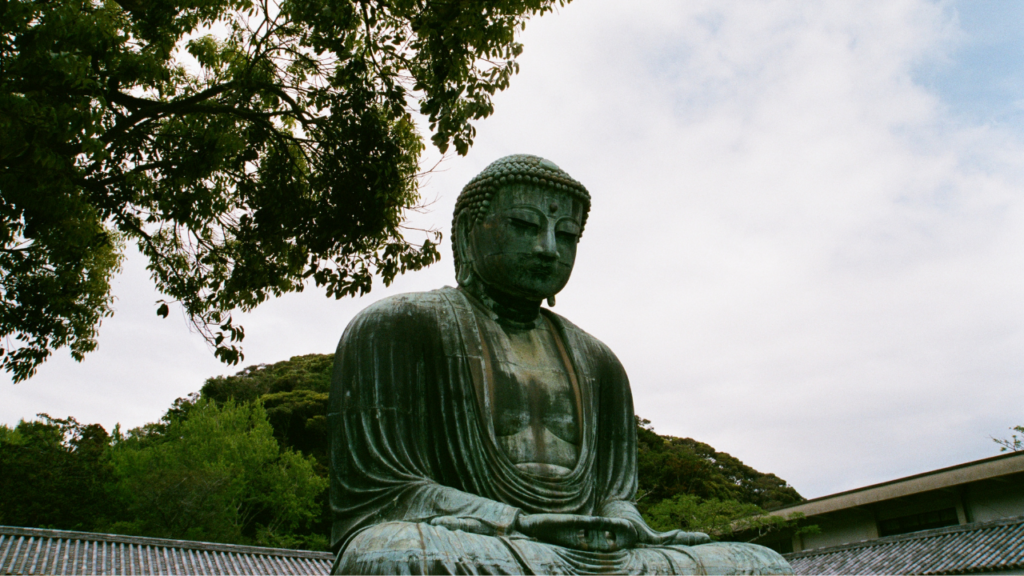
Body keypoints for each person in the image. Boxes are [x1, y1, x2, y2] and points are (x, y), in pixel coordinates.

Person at [328, 155, 793, 574]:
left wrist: (625, 524)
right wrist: (515, 520)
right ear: (470, 230)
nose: (548, 248)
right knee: (387, 556)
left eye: (566, 235)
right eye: (525, 225)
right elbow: (387, 493)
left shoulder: (598, 360)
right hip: (483, 542)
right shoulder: (398, 326)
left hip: (592, 554)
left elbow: (614, 496)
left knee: (760, 565)